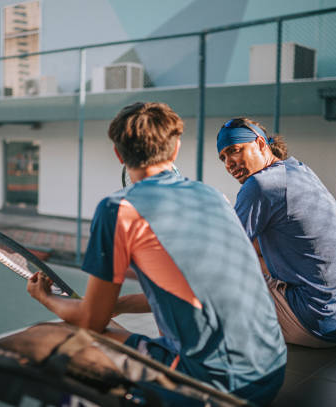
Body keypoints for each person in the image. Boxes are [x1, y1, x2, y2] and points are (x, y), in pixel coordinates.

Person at [28, 102, 287, 405]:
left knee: (48, 335)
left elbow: (90, 320)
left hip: (218, 387)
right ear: (175, 148)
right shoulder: (215, 197)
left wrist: (45, 297)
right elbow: (194, 288)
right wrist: (119, 305)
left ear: (119, 155)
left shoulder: (117, 209)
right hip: (272, 371)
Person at [216, 117, 336, 348]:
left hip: (316, 322)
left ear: (260, 144)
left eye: (234, 150)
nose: (229, 163)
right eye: (223, 158)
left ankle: (201, 367)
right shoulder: (297, 169)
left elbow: (222, 254)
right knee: (253, 252)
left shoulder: (260, 185)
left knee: (218, 284)